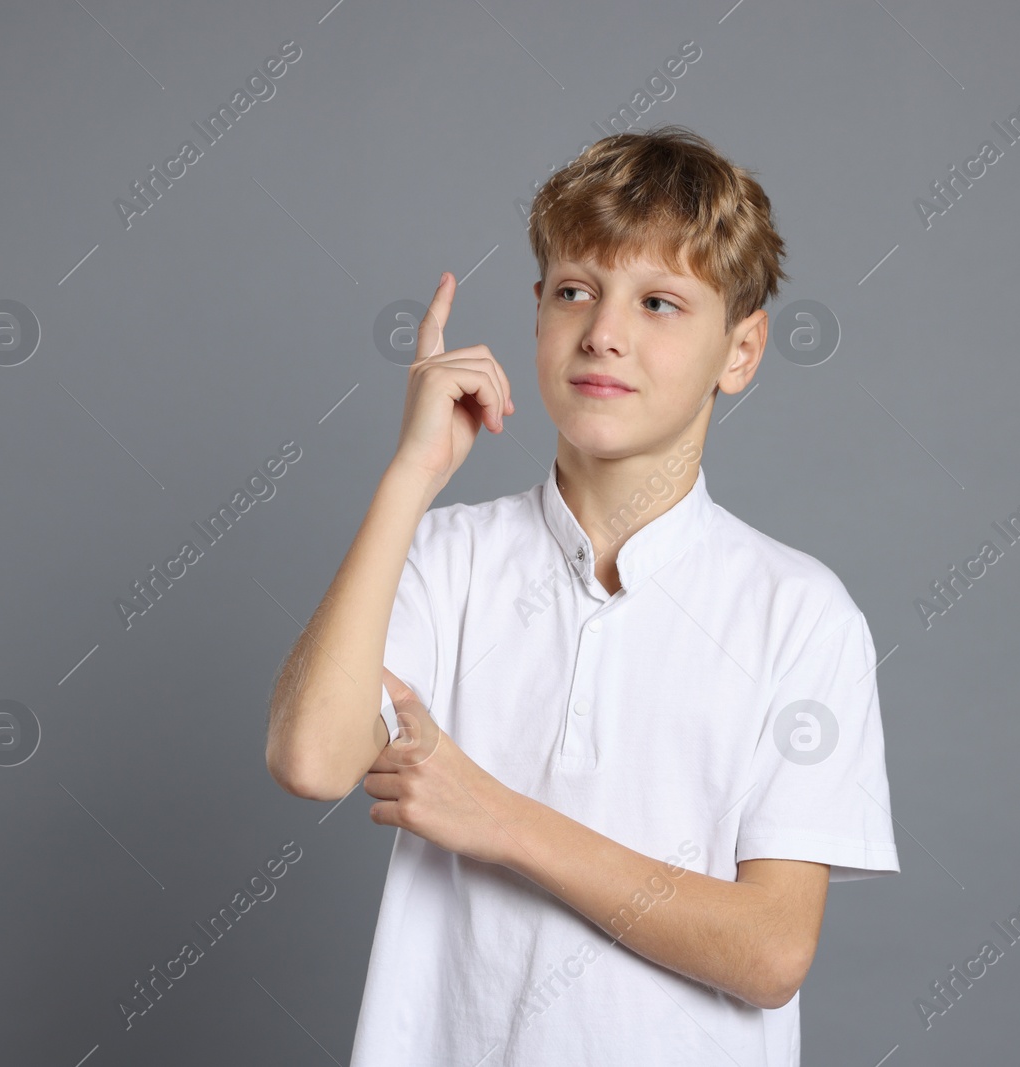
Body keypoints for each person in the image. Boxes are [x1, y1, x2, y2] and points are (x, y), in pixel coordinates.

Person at [265, 124, 899, 1066]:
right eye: (575, 291)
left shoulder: (799, 613)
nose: (604, 331)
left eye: (659, 302)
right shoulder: (446, 555)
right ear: (536, 315)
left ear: (742, 350)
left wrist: (502, 819)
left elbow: (769, 952)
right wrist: (410, 476)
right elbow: (312, 758)